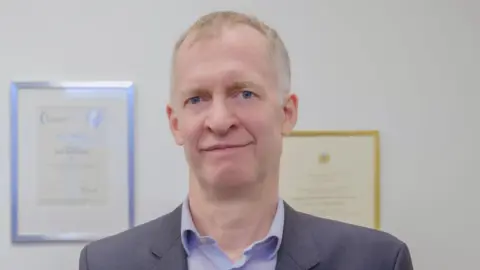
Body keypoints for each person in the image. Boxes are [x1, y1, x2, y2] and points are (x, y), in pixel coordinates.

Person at [79, 10, 414, 270]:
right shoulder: (107, 263)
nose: (221, 121)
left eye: (244, 93)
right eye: (197, 98)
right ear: (175, 123)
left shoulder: (376, 261)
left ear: (287, 112)